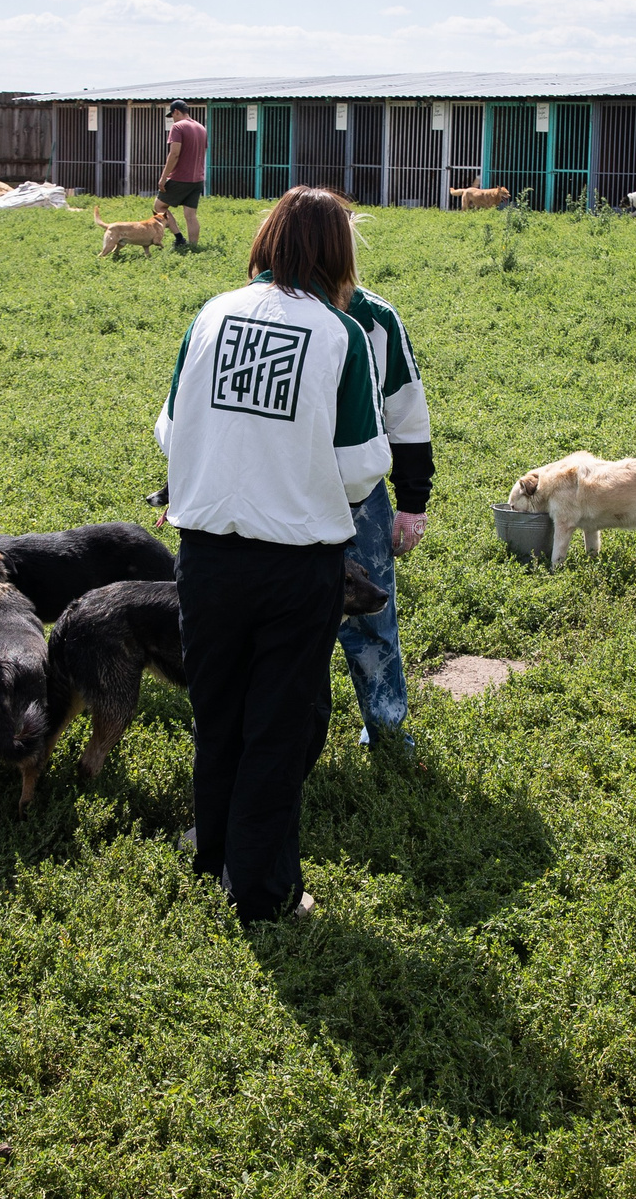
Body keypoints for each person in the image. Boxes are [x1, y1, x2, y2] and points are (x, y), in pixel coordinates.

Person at [157, 186, 390, 923]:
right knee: (279, 725)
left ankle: (214, 850)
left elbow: (169, 431)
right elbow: (359, 468)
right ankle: (262, 892)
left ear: (265, 239)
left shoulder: (210, 312)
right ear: (337, 254)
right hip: (293, 561)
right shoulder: (340, 334)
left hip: (204, 553)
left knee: (218, 706)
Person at [338, 277, 433, 753]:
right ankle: (289, 736)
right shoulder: (266, 310)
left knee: (371, 612)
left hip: (359, 494)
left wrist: (413, 502)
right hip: (276, 491)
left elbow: (407, 412)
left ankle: (386, 727)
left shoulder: (375, 319)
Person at [152, 99, 207, 250]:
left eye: (173, 115)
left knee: (159, 206)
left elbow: (174, 154)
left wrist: (163, 178)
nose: (173, 119)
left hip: (180, 177)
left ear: (176, 111)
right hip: (197, 179)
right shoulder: (201, 128)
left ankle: (179, 238)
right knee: (190, 215)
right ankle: (193, 247)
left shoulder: (178, 127)